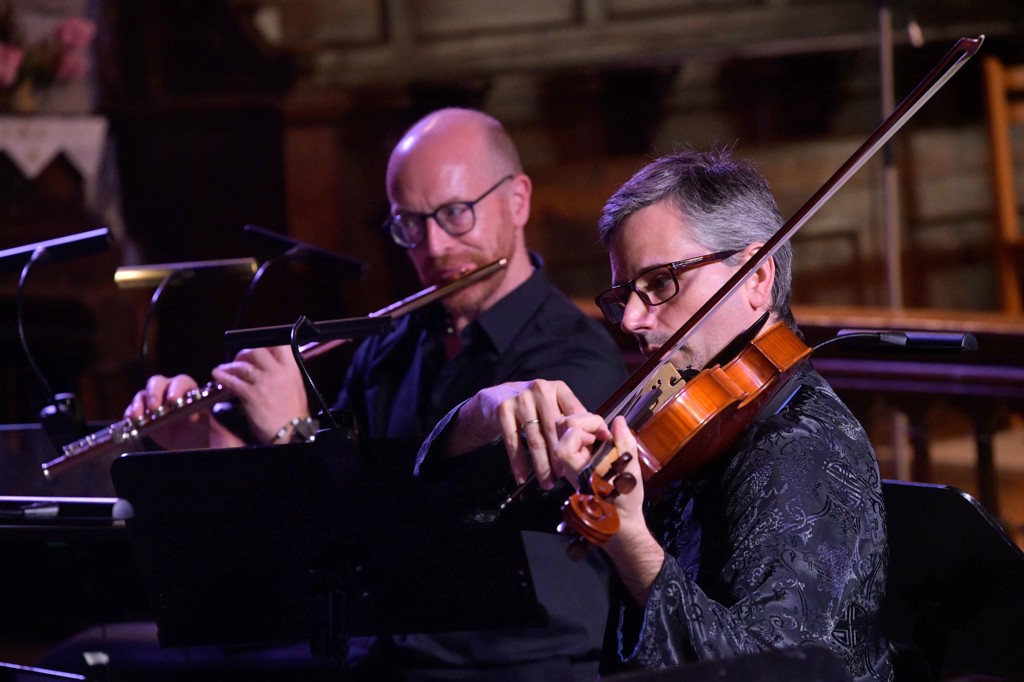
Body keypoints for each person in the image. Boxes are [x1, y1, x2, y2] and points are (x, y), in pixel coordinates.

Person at [38, 107, 627, 682]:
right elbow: (322, 533)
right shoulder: (391, 346)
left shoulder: (574, 360)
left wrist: (292, 434)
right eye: (409, 224)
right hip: (380, 651)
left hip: (515, 661)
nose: (434, 247)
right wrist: (206, 443)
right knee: (84, 658)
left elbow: (429, 530)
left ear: (517, 200)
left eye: (455, 213)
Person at [453, 147, 894, 682]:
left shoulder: (799, 443)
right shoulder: (683, 422)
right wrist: (482, 410)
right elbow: (462, 508)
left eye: (661, 283)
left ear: (756, 276)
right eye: (624, 296)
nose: (633, 320)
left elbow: (773, 672)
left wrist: (632, 544)